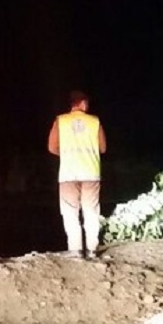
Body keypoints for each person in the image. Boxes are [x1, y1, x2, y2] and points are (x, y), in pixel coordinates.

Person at [47, 90, 107, 259]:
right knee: (91, 211)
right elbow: (103, 148)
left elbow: (52, 147)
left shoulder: (60, 121)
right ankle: (92, 249)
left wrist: (66, 154)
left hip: (68, 173)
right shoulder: (94, 121)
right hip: (91, 172)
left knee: (70, 212)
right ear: (83, 103)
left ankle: (75, 250)